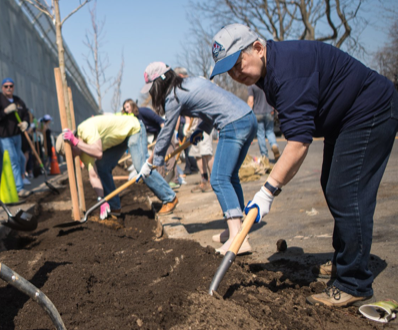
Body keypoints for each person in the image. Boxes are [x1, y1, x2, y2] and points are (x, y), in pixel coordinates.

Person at [210, 23, 398, 307]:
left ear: (258, 49)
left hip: (370, 111)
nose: (237, 75)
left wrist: (267, 192)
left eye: (238, 64)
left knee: (347, 193)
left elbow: (297, 145)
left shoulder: (287, 72)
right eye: (230, 72)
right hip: (345, 118)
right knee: (333, 186)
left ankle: (354, 282)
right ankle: (345, 261)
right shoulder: (270, 70)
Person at [142, 62, 257, 255]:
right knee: (231, 177)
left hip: (233, 124)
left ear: (158, 84)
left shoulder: (174, 96)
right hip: (247, 117)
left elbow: (166, 131)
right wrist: (200, 130)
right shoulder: (191, 83)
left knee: (219, 179)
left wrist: (152, 162)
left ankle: (238, 238)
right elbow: (212, 106)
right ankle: (237, 229)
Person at [57, 114, 178, 219]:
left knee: (141, 167)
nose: (73, 158)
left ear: (73, 144)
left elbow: (98, 152)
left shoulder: (85, 129)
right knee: (102, 167)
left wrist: (77, 142)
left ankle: (169, 198)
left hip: (133, 129)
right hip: (120, 139)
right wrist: (101, 199)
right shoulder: (83, 152)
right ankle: (114, 207)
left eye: (71, 154)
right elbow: (93, 176)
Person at [121, 99, 179, 188]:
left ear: (133, 105)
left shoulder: (143, 111)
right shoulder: (134, 119)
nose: (126, 109)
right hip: (157, 135)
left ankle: (174, 180)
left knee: (169, 155)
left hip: (165, 131)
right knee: (156, 157)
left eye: (127, 107)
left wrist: (165, 135)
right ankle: (162, 181)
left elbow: (160, 121)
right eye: (125, 108)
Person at [174, 67, 215, 193]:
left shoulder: (198, 82)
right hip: (193, 124)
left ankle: (214, 181)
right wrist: (187, 125)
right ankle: (204, 180)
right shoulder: (183, 88)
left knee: (206, 152)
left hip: (204, 121)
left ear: (180, 75)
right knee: (196, 153)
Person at [0, 77, 30, 197]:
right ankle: (19, 188)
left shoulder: (18, 101)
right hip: (4, 136)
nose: (8, 88)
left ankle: (6, 184)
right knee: (13, 161)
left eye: (11, 86)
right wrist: (5, 111)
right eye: (6, 86)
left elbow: (26, 114)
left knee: (19, 159)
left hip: (17, 136)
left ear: (13, 87)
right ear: (2, 88)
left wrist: (25, 123)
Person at [247, 84, 280, 164]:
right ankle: (274, 145)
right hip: (269, 111)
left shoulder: (252, 85)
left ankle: (265, 156)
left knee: (260, 134)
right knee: (270, 131)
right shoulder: (266, 82)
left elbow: (251, 101)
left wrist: (248, 114)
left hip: (257, 113)